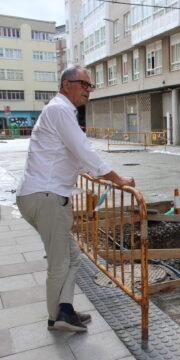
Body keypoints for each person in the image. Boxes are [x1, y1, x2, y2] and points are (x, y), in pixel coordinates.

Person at [16, 66, 135, 333]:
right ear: (65, 84)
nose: (87, 90)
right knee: (60, 261)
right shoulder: (59, 110)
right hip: (46, 196)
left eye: (90, 86)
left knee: (72, 255)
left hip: (43, 195)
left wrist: (100, 175)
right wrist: (116, 179)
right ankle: (57, 316)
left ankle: (65, 309)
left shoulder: (61, 111)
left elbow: (71, 156)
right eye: (83, 84)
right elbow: (83, 149)